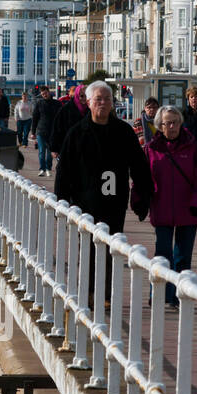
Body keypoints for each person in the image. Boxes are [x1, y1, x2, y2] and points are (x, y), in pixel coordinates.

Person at [54, 81, 152, 308]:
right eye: (98, 99)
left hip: (114, 202)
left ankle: (106, 295)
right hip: (84, 203)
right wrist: (61, 202)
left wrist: (143, 197)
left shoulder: (123, 132)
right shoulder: (77, 133)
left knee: (111, 249)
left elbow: (139, 166)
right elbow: (64, 171)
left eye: (107, 99)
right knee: (87, 250)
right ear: (88, 103)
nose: (103, 103)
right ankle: (88, 293)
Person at [143, 105, 197, 307]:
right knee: (162, 256)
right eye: (166, 123)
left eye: (175, 122)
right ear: (159, 126)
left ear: (181, 124)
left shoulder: (193, 148)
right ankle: (159, 294)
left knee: (182, 257)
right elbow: (142, 178)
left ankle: (179, 297)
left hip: (188, 210)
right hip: (162, 209)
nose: (171, 126)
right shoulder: (151, 149)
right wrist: (139, 201)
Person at [49, 84, 89, 157]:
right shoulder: (66, 109)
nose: (84, 98)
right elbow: (57, 128)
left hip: (87, 148)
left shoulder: (92, 109)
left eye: (87, 96)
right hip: (68, 147)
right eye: (82, 96)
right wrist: (54, 148)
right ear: (77, 95)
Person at [31, 86, 61, 177]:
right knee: (41, 151)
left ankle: (48, 168)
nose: (44, 95)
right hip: (41, 131)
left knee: (49, 153)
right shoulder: (39, 104)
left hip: (52, 132)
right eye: (43, 94)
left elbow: (60, 118)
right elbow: (35, 118)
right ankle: (42, 169)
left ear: (49, 92)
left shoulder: (57, 103)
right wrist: (33, 132)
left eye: (46, 93)